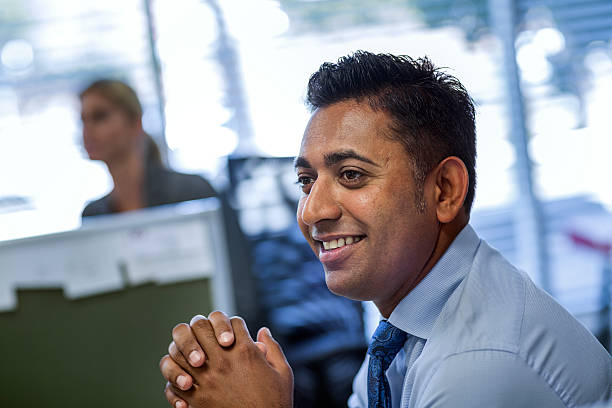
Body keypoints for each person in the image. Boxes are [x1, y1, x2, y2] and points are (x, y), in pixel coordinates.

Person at [158, 52, 612, 408]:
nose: (311, 211)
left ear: (445, 190)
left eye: (352, 175)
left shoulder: (476, 367)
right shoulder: (409, 325)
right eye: (306, 182)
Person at [79, 79, 216, 217]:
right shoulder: (93, 215)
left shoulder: (192, 192)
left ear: (136, 124)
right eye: (83, 120)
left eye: (100, 117)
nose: (87, 130)